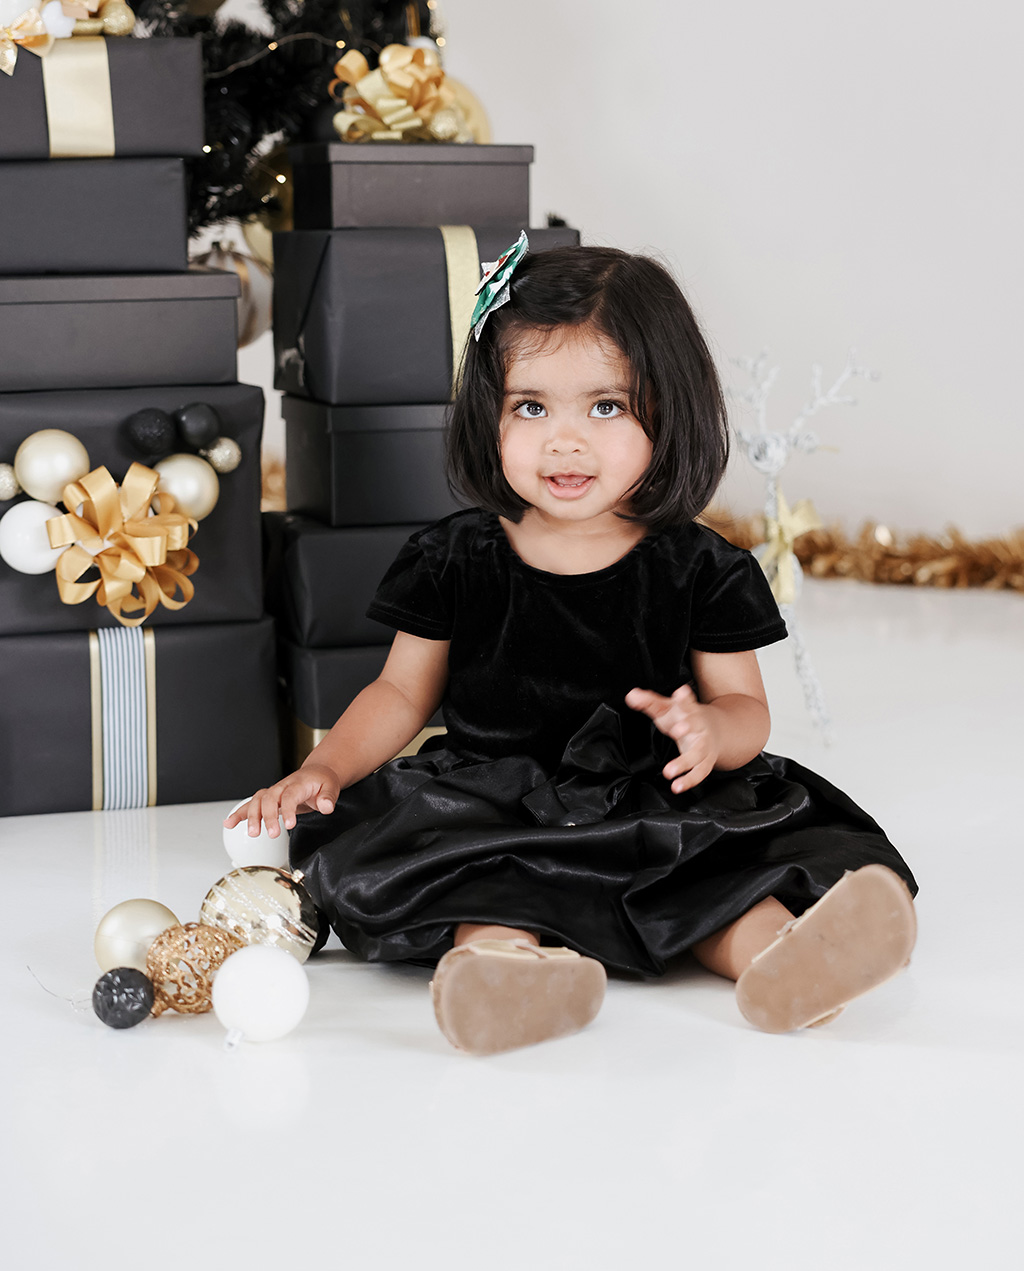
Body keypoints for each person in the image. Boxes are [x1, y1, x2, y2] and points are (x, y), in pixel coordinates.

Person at [227, 241, 917, 1054]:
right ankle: (505, 976)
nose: (564, 441)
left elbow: (746, 709)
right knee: (481, 875)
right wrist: (328, 765)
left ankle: (787, 961)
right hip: (494, 799)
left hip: (656, 796)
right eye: (530, 408)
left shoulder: (699, 567)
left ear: (671, 410)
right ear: (487, 414)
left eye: (606, 407)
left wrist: (710, 732)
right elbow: (401, 692)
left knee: (714, 879)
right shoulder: (454, 557)